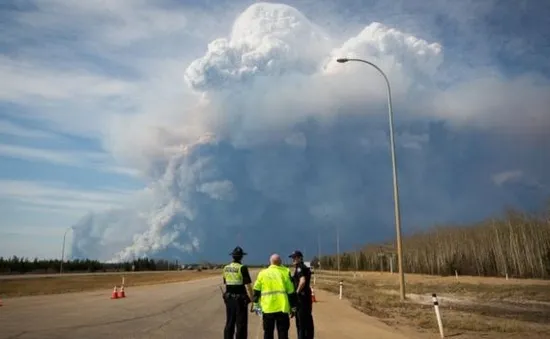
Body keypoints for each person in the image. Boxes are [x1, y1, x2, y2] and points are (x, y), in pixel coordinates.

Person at [252, 253, 297, 339]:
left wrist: (256, 305)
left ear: (270, 262)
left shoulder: (262, 273)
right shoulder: (285, 273)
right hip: (282, 308)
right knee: (283, 332)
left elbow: (256, 290)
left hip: (267, 308)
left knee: (268, 333)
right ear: (280, 262)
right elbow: (291, 292)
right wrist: (293, 307)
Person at [223, 246, 253, 339]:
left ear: (232, 256)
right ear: (241, 257)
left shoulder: (226, 268)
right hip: (240, 299)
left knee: (229, 322)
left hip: (229, 298)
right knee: (241, 324)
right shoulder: (242, 268)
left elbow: (225, 282)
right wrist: (252, 300)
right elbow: (248, 286)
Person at [289, 250, 315, 339]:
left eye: (294, 257)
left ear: (300, 258)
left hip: (302, 298)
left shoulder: (299, 267)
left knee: (301, 323)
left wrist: (297, 292)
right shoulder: (304, 267)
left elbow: (302, 281)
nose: (293, 259)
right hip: (306, 297)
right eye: (292, 258)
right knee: (307, 321)